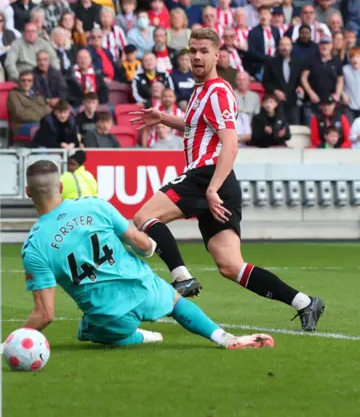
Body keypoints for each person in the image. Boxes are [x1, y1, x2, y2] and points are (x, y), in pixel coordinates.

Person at [130, 28, 325, 332]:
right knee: (232, 266)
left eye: (203, 50)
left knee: (143, 216)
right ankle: (304, 302)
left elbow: (230, 144)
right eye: (192, 50)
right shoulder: (200, 91)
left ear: (216, 55)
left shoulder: (218, 91)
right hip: (216, 181)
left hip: (206, 175)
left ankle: (181, 276)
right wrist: (164, 118)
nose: (196, 56)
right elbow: (195, 126)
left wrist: (211, 188)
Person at [21, 159, 275, 349]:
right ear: (61, 186)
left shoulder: (34, 246)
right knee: (176, 302)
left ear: (27, 191)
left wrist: (10, 343)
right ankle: (223, 337)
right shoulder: (94, 205)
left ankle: (140, 336)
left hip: (109, 316)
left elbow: (45, 314)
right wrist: (151, 246)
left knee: (87, 331)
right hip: (144, 288)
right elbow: (140, 244)